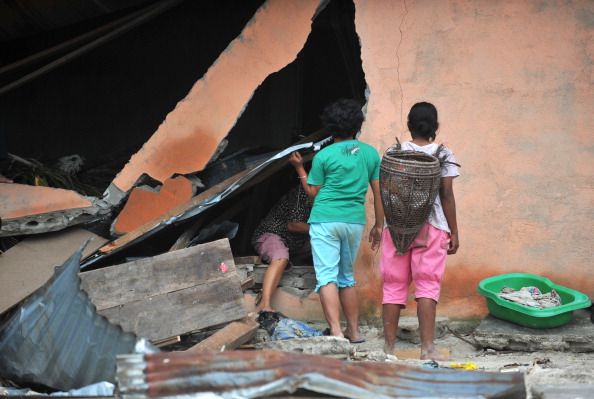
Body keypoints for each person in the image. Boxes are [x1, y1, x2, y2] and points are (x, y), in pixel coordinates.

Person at [290, 98, 384, 343]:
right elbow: (378, 193)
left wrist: (300, 168)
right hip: (353, 221)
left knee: (327, 277)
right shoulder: (370, 153)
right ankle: (354, 332)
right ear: (357, 124)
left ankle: (336, 332)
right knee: (346, 278)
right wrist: (379, 225)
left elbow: (313, 194)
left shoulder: (323, 156)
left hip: (325, 220)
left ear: (330, 126)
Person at [373, 101, 459, 360]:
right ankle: (427, 350)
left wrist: (382, 223)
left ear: (409, 125)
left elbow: (386, 190)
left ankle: (388, 350)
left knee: (393, 286)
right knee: (427, 285)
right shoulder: (442, 154)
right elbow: (446, 195)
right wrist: (454, 231)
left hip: (397, 227)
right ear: (436, 126)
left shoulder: (394, 152)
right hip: (431, 226)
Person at [252, 184, 313, 312]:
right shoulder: (301, 192)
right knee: (281, 257)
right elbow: (293, 225)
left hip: (297, 242)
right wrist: (321, 230)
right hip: (272, 234)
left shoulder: (330, 195)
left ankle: (297, 260)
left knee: (327, 242)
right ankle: (265, 305)